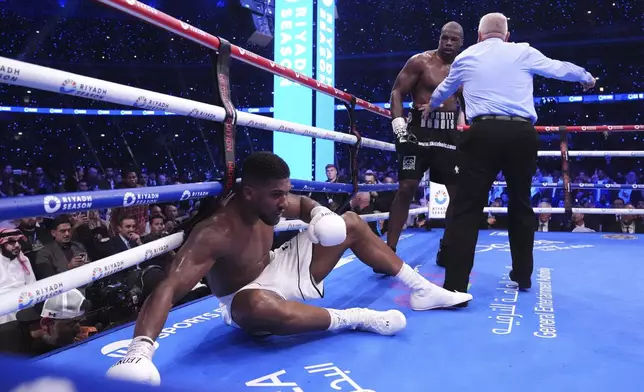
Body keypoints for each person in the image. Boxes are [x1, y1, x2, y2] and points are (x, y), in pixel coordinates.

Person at [106, 152, 473, 385]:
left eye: (286, 192)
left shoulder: (271, 203)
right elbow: (170, 286)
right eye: (277, 195)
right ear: (249, 193)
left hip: (282, 269)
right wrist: (141, 348)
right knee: (254, 308)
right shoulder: (215, 232)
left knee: (349, 222)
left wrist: (320, 213)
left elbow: (304, 203)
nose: (285, 202)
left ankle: (421, 289)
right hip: (247, 297)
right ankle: (357, 317)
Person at [426, 13, 595, 294]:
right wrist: (586, 77)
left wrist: (431, 105)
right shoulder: (522, 51)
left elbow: (444, 89)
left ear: (479, 35)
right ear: (507, 35)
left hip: (481, 134)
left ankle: (455, 286)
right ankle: (523, 276)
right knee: (520, 204)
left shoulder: (467, 56)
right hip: (520, 135)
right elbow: (558, 68)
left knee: (467, 209)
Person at [386, 21, 466, 272]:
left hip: (449, 135)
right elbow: (397, 92)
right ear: (440, 38)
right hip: (418, 132)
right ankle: (389, 251)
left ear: (461, 42)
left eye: (454, 39)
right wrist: (398, 126)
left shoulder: (465, 67)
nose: (449, 43)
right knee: (406, 187)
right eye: (445, 38)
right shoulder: (421, 62)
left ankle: (448, 246)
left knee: (457, 193)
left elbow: (467, 102)